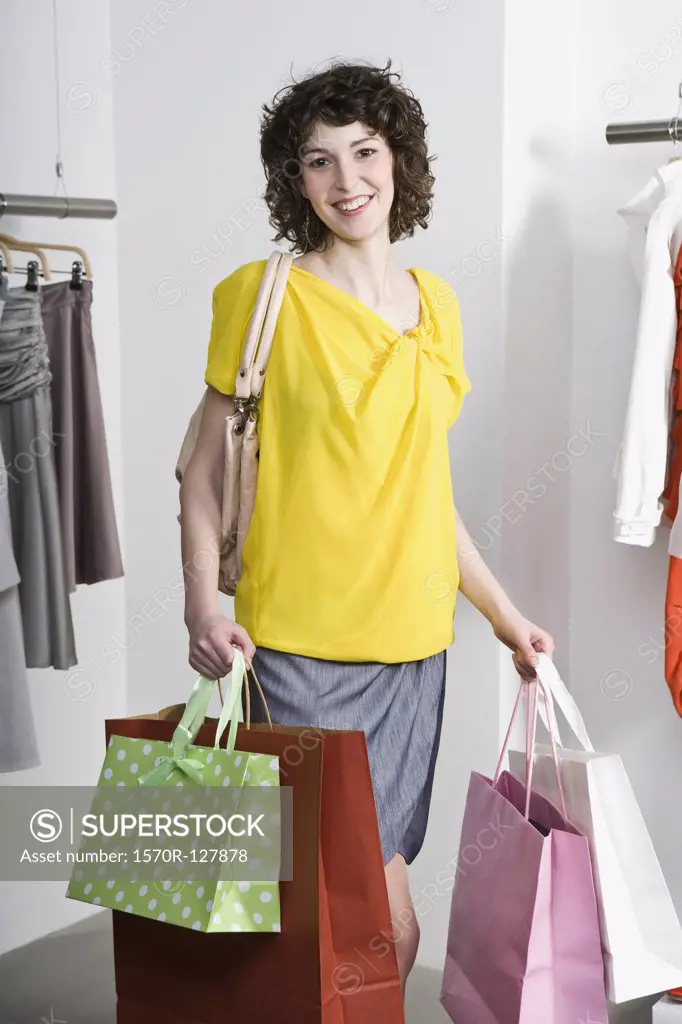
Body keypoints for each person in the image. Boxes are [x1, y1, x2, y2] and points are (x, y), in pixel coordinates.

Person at [179, 59, 554, 998]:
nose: (347, 182)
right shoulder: (261, 300)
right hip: (299, 645)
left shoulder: (438, 308)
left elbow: (424, 496)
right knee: (366, 914)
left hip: (415, 650)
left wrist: (507, 618)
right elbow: (199, 475)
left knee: (356, 910)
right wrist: (199, 611)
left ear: (399, 160)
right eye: (318, 162)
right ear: (294, 181)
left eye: (365, 151)